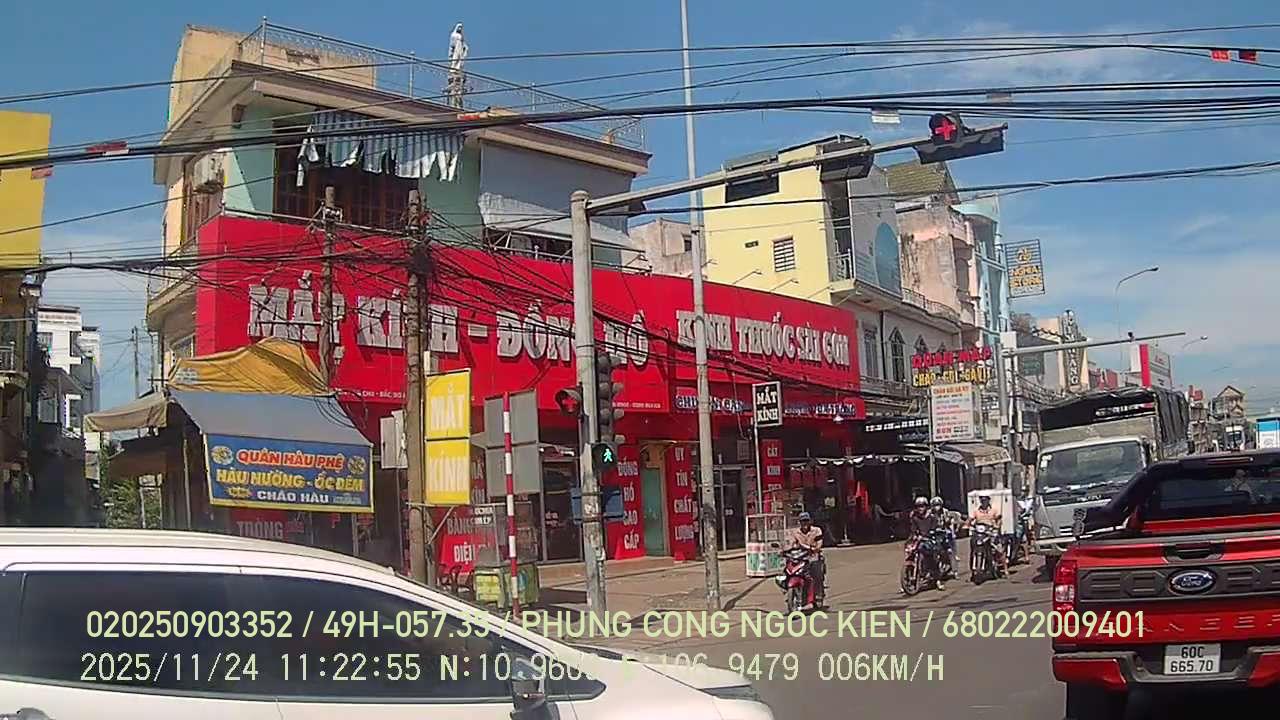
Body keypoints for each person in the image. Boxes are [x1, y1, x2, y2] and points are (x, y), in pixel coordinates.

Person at [789, 512, 825, 607]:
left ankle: (818, 596)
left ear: (810, 521)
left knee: (816, 575)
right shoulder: (795, 532)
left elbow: (819, 544)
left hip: (814, 556)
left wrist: (814, 549)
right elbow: (792, 544)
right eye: (802, 521)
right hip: (801, 557)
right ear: (799, 522)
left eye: (806, 521)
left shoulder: (817, 530)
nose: (804, 523)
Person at [969, 494, 1007, 576]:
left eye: (985, 500)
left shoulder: (993, 510)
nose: (984, 502)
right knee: (973, 546)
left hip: (990, 532)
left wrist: (997, 526)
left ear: (988, 500)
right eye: (982, 500)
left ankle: (1005, 568)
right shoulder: (976, 510)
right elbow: (971, 519)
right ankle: (973, 569)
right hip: (979, 532)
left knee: (999, 549)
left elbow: (999, 519)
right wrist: (966, 524)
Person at [931, 496, 957, 577]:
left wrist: (948, 524)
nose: (937, 507)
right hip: (934, 533)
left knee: (950, 551)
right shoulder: (929, 513)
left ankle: (954, 570)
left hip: (945, 532)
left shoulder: (945, 512)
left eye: (938, 504)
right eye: (935, 505)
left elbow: (948, 522)